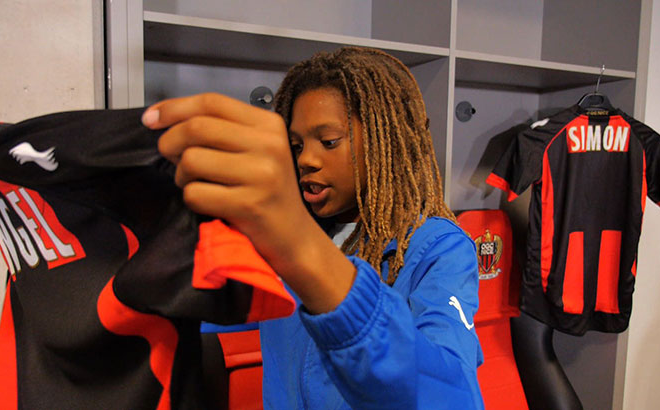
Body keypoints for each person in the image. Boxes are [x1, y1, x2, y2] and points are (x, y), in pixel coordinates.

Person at [142, 46, 484, 409]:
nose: (306, 159)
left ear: (386, 140)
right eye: (295, 145)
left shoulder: (438, 248)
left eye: (329, 142)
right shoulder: (281, 239)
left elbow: (454, 398)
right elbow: (201, 311)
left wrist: (308, 257)